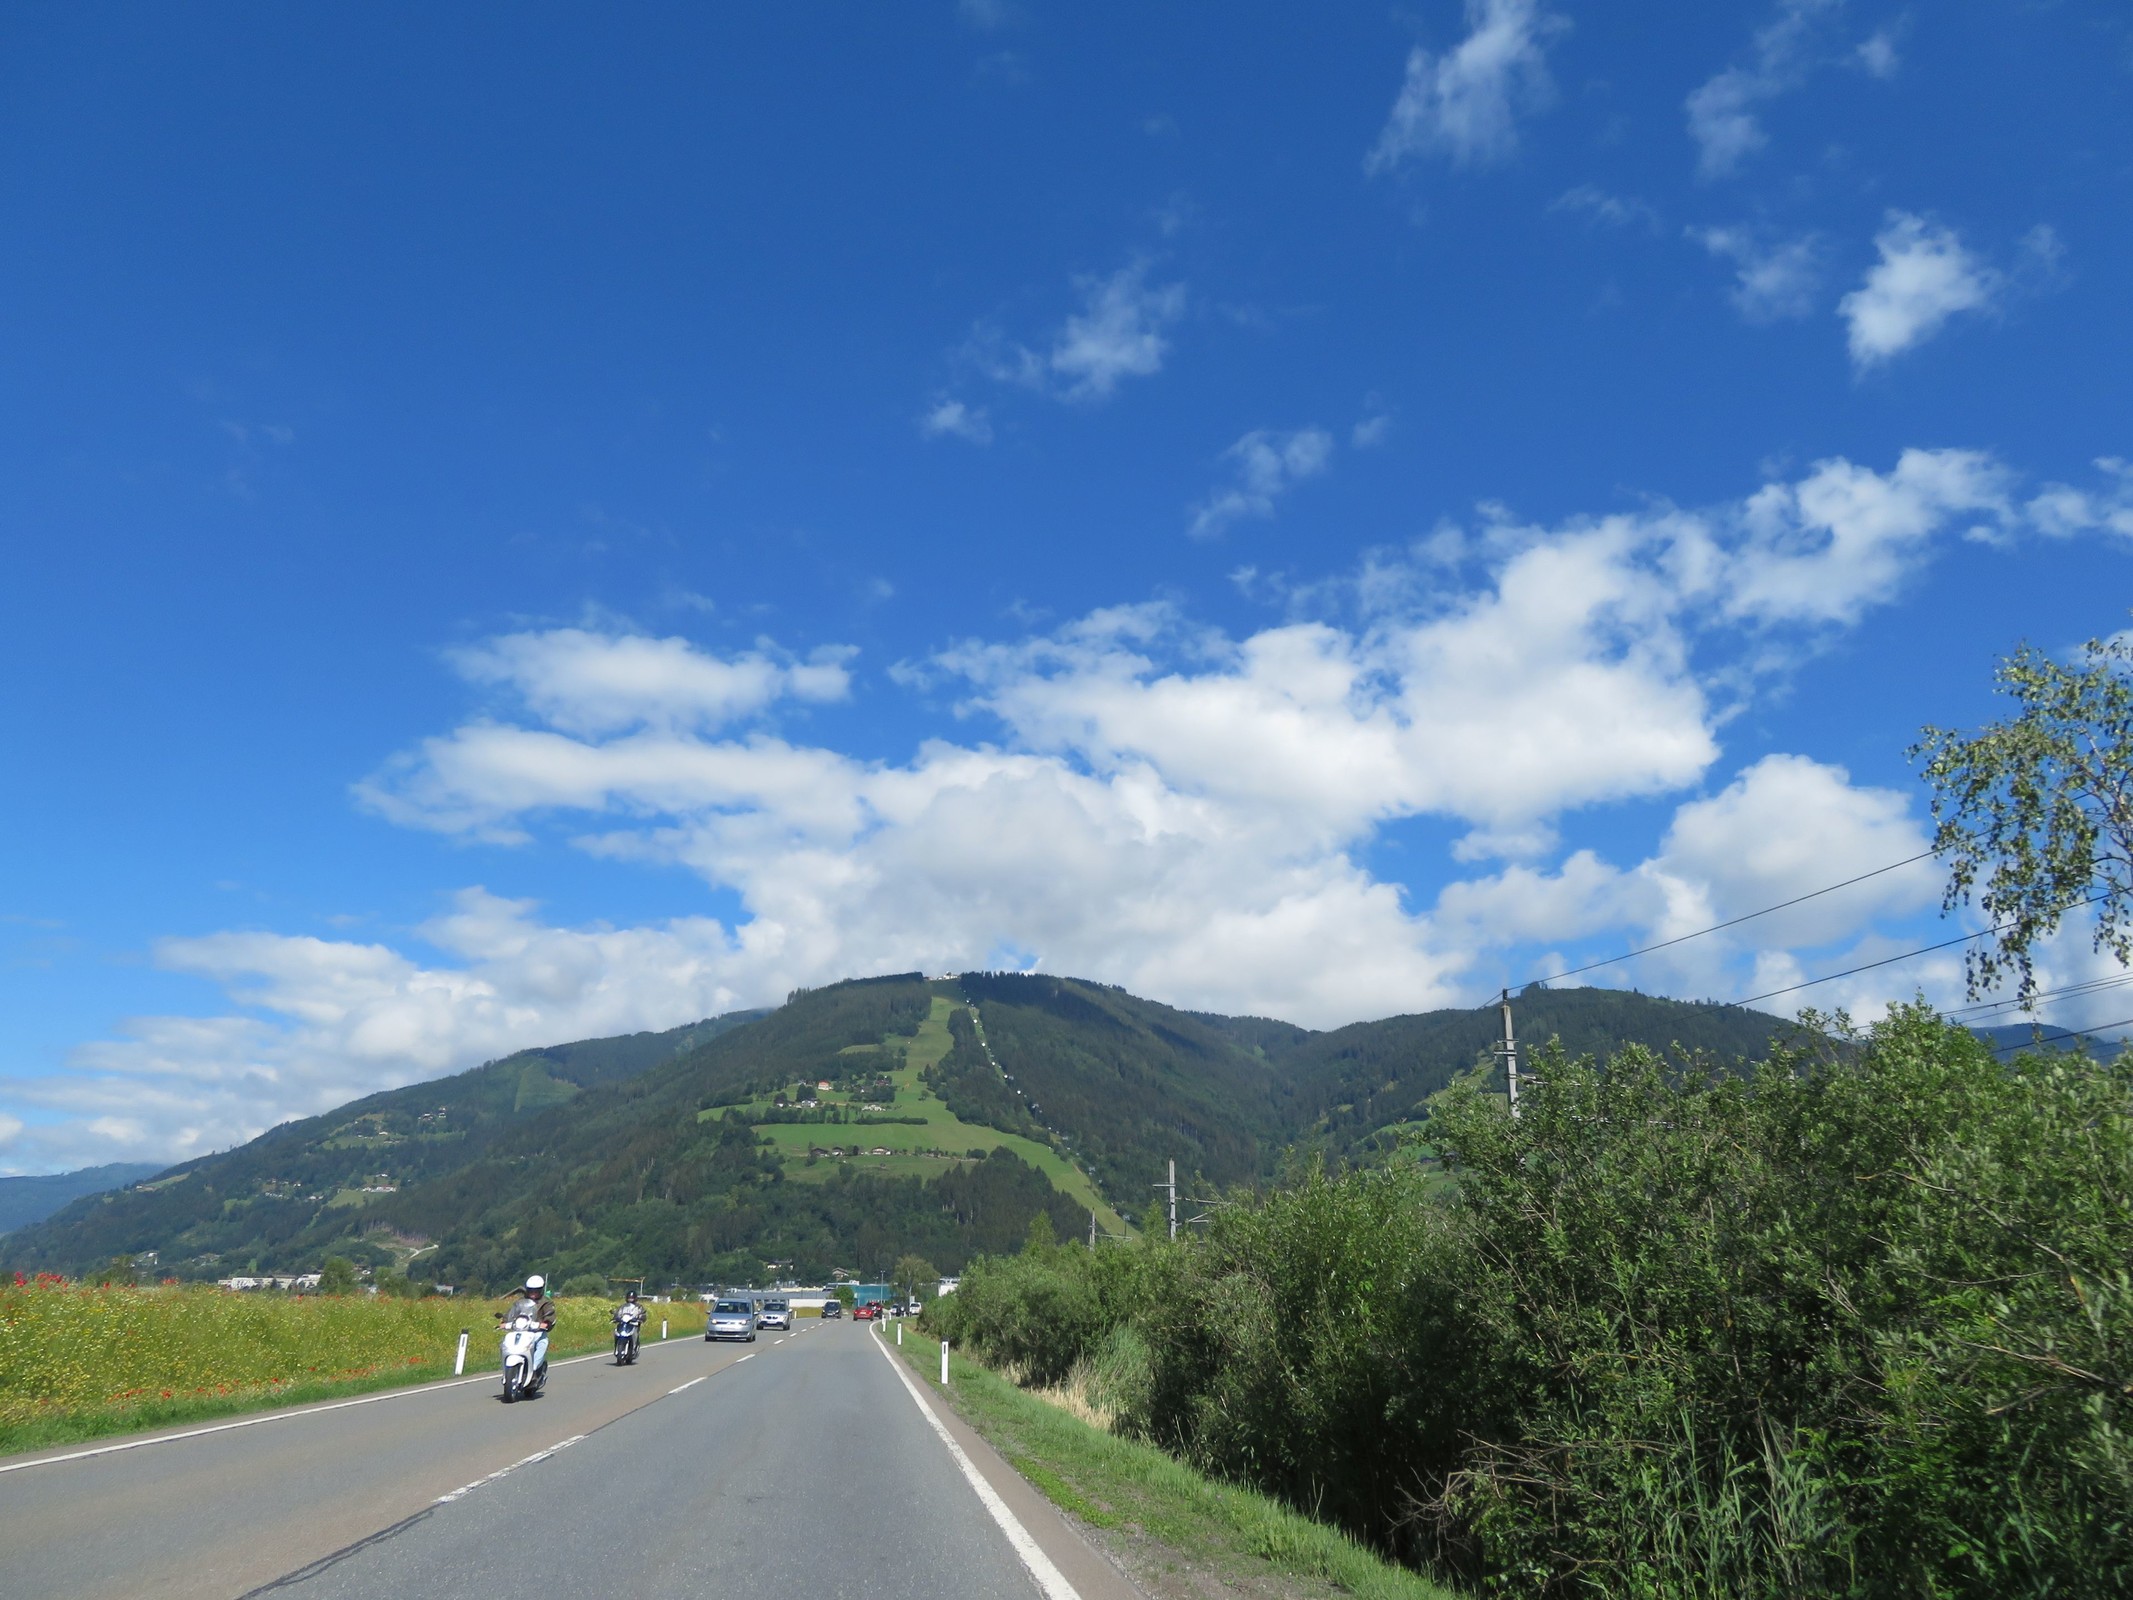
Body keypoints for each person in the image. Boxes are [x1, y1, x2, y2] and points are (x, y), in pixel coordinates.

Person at [500, 1273, 557, 1383]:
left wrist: (546, 1323)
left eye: (536, 1291)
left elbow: (550, 1314)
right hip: (521, 1330)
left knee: (543, 1343)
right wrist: (504, 1321)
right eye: (531, 1290)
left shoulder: (546, 1302)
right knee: (504, 1343)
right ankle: (506, 1369)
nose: (533, 1293)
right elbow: (511, 1312)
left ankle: (535, 1369)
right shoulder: (521, 1301)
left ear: (541, 1290)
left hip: (537, 1331)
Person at [614, 1288, 645, 1353]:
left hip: (633, 1325)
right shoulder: (623, 1306)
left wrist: (640, 1318)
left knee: (635, 1334)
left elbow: (642, 1314)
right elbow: (618, 1313)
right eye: (629, 1298)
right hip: (623, 1324)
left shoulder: (639, 1307)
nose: (630, 1299)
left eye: (632, 1298)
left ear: (635, 1298)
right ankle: (616, 1345)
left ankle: (634, 1347)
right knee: (616, 1332)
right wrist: (616, 1317)